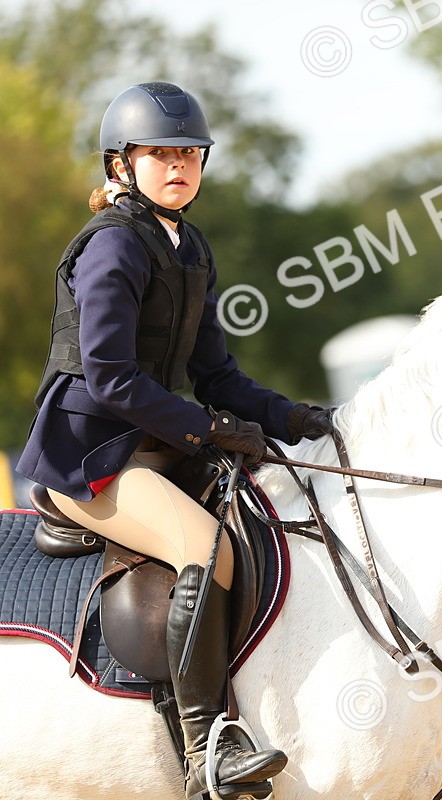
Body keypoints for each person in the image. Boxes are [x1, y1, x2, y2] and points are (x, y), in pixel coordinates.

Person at [16, 82, 331, 799]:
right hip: (87, 455)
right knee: (206, 546)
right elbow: (108, 379)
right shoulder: (113, 247)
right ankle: (207, 747)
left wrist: (294, 418)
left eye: (191, 152)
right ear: (121, 165)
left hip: (154, 445)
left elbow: (215, 372)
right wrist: (211, 429)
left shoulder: (187, 247)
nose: (180, 164)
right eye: (161, 152)